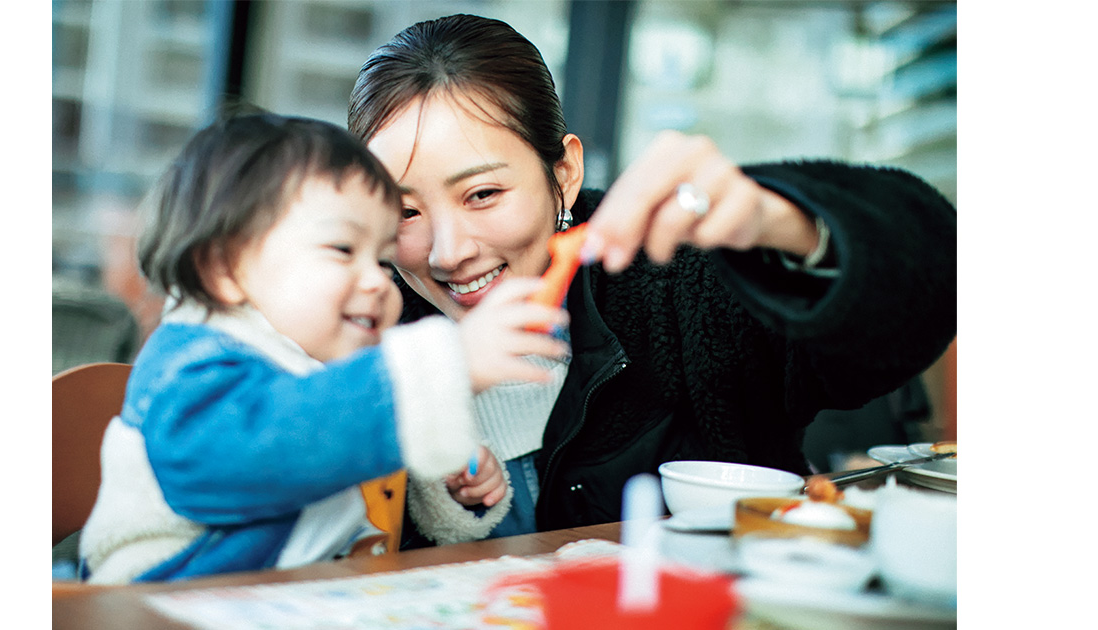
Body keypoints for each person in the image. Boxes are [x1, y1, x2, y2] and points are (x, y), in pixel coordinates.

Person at [346, 14, 957, 546]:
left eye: (483, 193)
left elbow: (938, 279)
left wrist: (787, 224)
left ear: (564, 173)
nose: (450, 253)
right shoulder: (351, 333)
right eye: (404, 211)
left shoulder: (677, 279)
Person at [77, 110, 569, 583]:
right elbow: (267, 452)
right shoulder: (191, 366)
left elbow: (342, 459)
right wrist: (448, 365)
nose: (378, 282)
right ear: (226, 270)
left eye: (381, 259)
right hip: (158, 605)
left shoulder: (322, 365)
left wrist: (444, 488)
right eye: (342, 250)